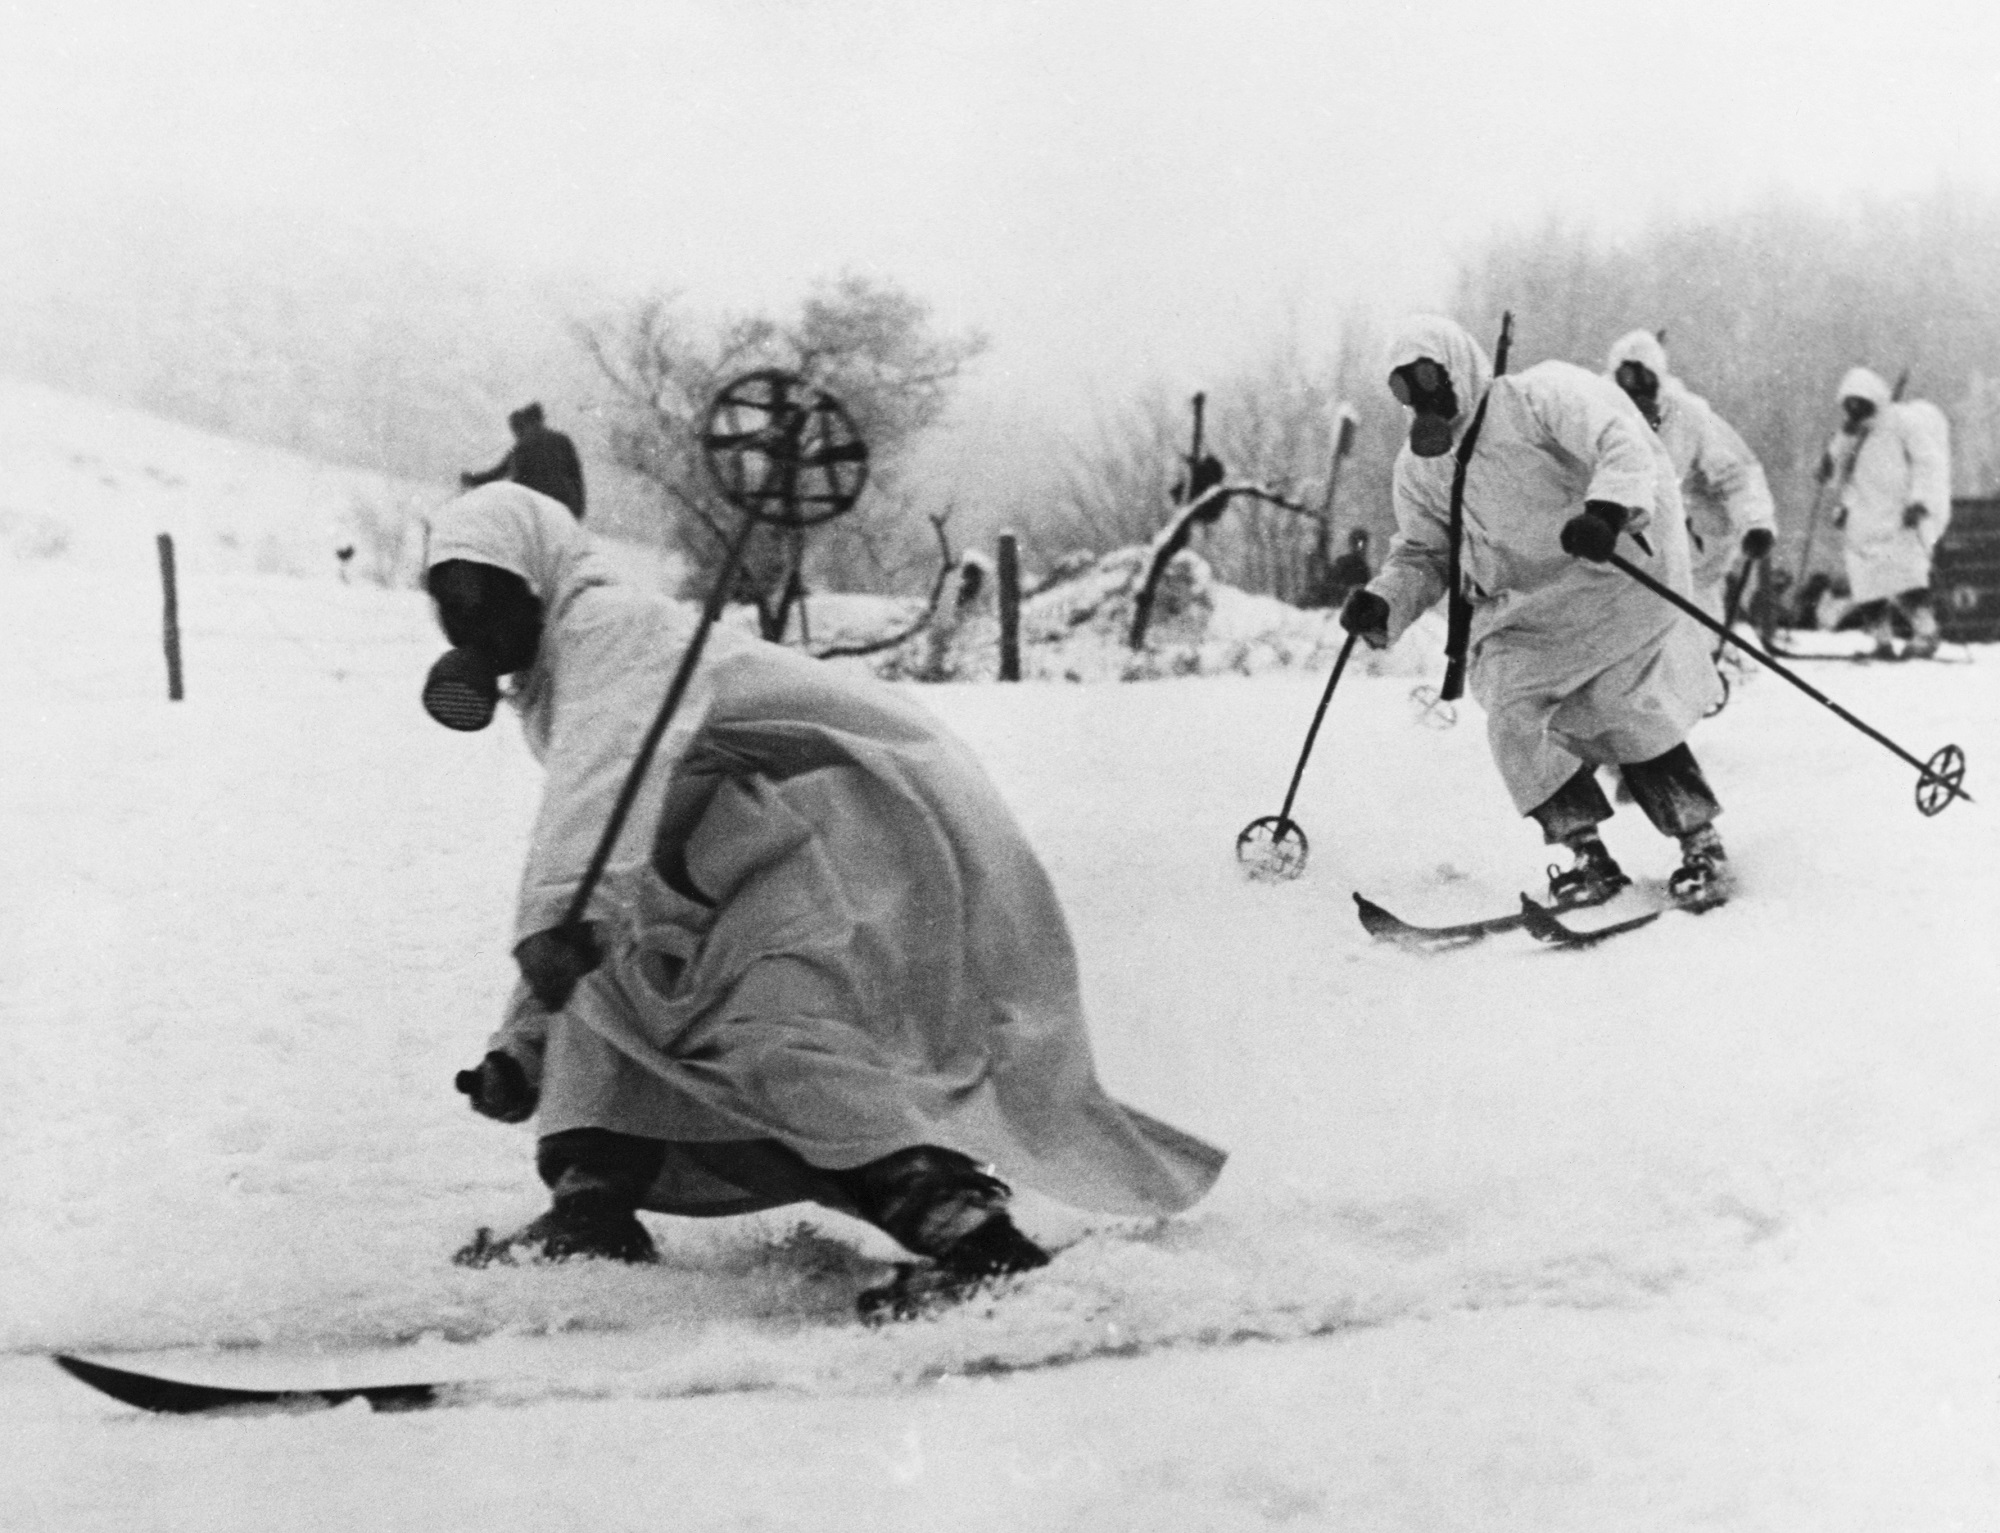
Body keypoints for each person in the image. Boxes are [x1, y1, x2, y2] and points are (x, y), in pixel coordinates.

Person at [421, 483, 1225, 1318]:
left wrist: (555, 918)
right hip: (747, 845)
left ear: (539, 580)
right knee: (609, 983)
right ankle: (591, 1205)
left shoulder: (607, 627)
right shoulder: (561, 680)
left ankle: (977, 1241)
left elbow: (600, 790)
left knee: (779, 1033)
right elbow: (599, 854)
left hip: (849, 816)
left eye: (487, 598)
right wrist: (522, 1041)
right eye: (451, 606)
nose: (473, 627)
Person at [1339, 315, 1730, 907]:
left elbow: (1619, 442)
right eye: (1405, 387)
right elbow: (1424, 552)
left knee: (1626, 710)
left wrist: (1607, 510)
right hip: (1524, 616)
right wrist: (1385, 601)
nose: (1424, 396)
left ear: (1458, 365)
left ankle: (1700, 844)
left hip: (1606, 586)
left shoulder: (1537, 399)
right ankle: (1587, 854)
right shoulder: (1419, 469)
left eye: (1430, 377)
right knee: (1514, 718)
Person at [1604, 331, 1776, 621]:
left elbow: (1734, 473)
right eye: (1627, 385)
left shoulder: (1688, 415)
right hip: (1617, 543)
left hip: (1681, 544)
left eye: (1645, 382)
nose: (1637, 396)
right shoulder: (1600, 410)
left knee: (1688, 618)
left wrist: (1755, 523)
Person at [1822, 368, 1952, 658]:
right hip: (1862, 518)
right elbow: (1838, 474)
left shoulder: (1901, 421)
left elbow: (1926, 461)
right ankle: (1881, 640)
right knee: (1867, 583)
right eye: (1850, 402)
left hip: (1898, 515)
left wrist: (1919, 501)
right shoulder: (1850, 433)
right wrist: (1837, 493)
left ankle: (1926, 633)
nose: (1855, 408)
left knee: (1906, 578)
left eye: (1861, 401)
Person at [461, 402, 588, 520]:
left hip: (536, 508)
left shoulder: (522, 446)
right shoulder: (563, 440)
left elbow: (498, 474)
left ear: (525, 424)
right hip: (564, 506)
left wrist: (471, 480)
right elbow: (576, 476)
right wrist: (578, 509)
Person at [1322, 528, 1375, 610]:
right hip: (1340, 609)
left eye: (1364, 544)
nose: (1362, 548)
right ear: (1351, 544)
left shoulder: (1363, 567)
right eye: (1357, 544)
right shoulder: (1343, 562)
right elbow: (1331, 587)